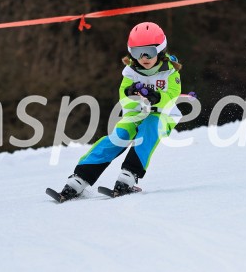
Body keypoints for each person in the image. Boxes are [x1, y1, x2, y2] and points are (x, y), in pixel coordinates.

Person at [52, 22, 183, 201]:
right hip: (136, 113)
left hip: (163, 115)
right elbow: (124, 100)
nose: (143, 57)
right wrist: (130, 94)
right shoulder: (130, 71)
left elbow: (173, 96)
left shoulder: (170, 71)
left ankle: (129, 174)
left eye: (149, 52)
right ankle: (81, 177)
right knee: (118, 136)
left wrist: (157, 97)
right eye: (137, 53)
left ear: (160, 51)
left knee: (149, 128)